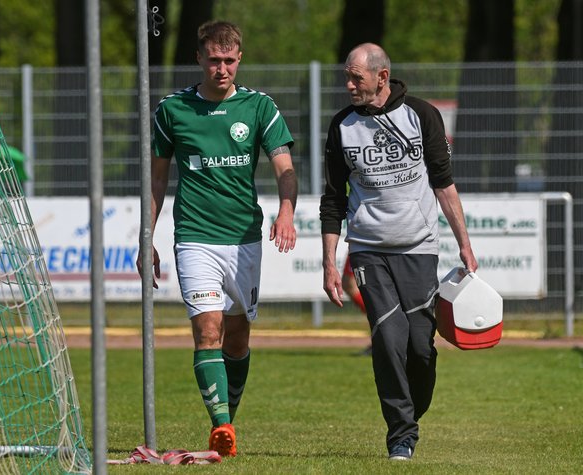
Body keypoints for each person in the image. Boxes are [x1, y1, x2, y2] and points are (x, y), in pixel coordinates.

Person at [137, 20, 297, 458]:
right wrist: (146, 237)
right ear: (199, 59)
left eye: (228, 60)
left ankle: (226, 424)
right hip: (195, 237)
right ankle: (221, 424)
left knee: (237, 336)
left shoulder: (259, 107)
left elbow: (285, 167)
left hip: (244, 238)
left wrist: (286, 211)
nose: (221, 69)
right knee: (208, 330)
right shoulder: (173, 110)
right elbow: (155, 180)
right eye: (213, 60)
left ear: (239, 59)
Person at [319, 43, 477, 461]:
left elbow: (444, 184)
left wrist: (464, 244)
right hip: (368, 250)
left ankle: (410, 413)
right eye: (347, 77)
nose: (349, 84)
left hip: (419, 249)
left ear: (382, 77)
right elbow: (333, 200)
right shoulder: (341, 126)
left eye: (356, 77)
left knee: (421, 348)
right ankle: (401, 436)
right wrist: (330, 263)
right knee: (389, 340)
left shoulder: (422, 115)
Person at [341, 254, 372, 356]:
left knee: (349, 283)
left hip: (365, 246)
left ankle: (382, 333)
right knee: (349, 283)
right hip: (357, 246)